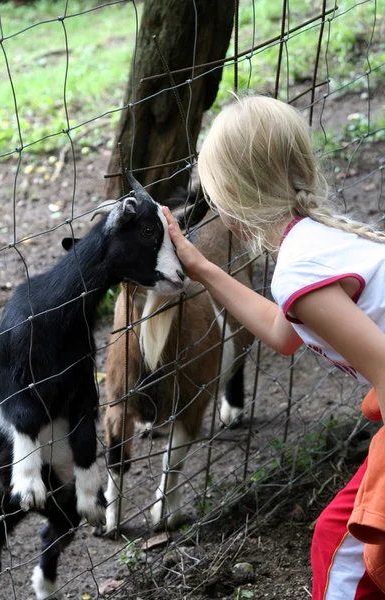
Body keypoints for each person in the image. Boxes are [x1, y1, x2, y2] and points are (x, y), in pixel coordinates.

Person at [162, 94, 385, 599]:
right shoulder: (315, 241)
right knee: (343, 538)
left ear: (233, 195)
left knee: (346, 548)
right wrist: (200, 267)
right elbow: (285, 334)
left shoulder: (299, 268)